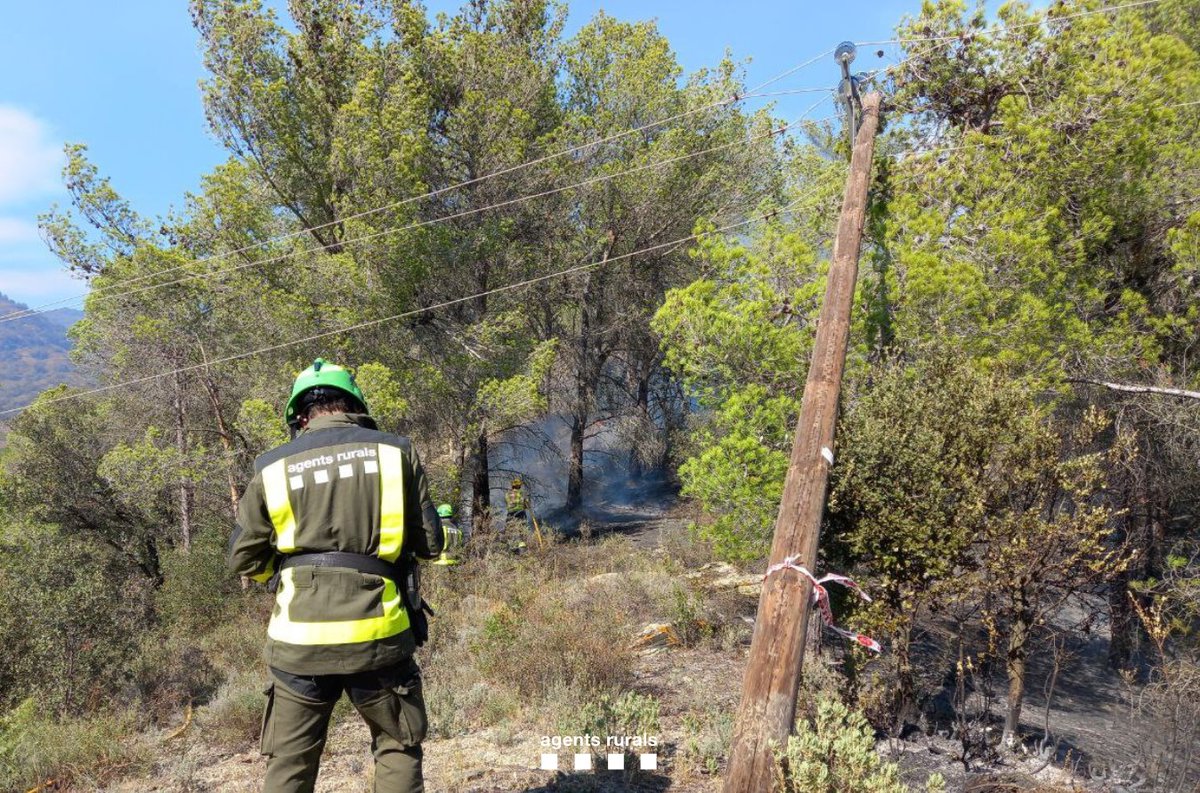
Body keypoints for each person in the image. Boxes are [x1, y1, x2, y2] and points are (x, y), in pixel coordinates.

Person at [227, 358, 443, 793]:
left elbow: (244, 558)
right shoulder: (395, 451)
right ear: (354, 405)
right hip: (378, 636)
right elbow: (431, 545)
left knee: (290, 763)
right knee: (396, 746)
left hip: (298, 642)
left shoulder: (271, 467)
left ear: (299, 416)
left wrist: (288, 572)